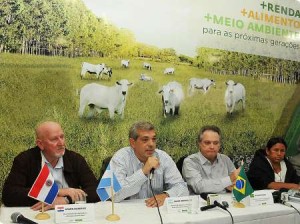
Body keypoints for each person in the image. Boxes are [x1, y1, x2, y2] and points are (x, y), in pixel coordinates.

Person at [2, 121, 99, 210]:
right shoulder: (25, 160)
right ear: (40, 144)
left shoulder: (75, 159)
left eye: (62, 137)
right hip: (39, 214)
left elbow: (95, 190)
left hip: (70, 214)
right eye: (54, 139)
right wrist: (57, 192)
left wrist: (66, 200)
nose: (61, 143)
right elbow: (9, 194)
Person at [111, 121, 189, 207]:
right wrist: (143, 172)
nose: (151, 144)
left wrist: (166, 195)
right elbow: (114, 195)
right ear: (133, 143)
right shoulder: (120, 158)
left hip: (156, 211)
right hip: (129, 212)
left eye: (154, 139)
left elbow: (182, 187)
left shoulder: (163, 157)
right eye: (145, 140)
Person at [182, 125, 240, 195]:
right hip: (201, 203)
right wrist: (229, 180)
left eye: (215, 143)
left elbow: (236, 184)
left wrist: (233, 184)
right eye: (207, 143)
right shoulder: (190, 162)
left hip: (226, 202)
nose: (212, 147)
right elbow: (199, 187)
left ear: (220, 145)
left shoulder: (225, 159)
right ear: (199, 144)